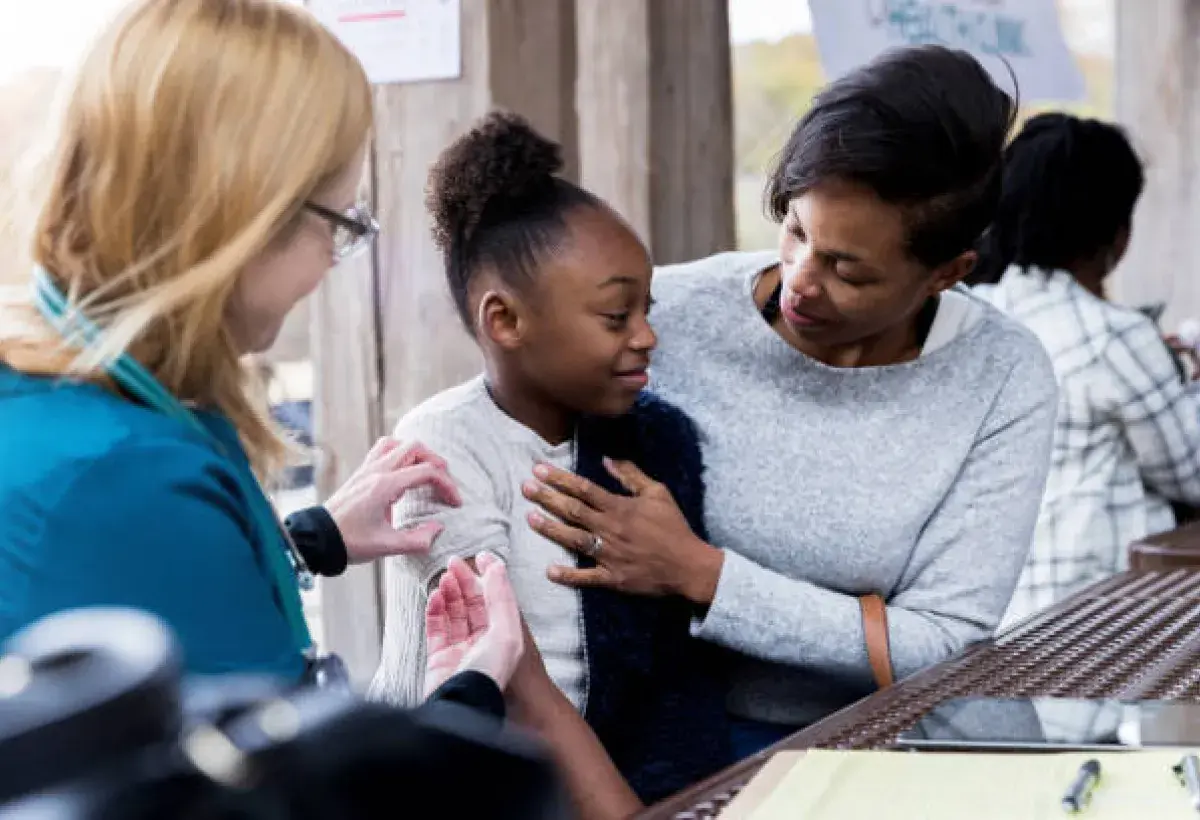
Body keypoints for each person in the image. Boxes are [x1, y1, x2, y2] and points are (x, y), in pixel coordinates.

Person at [520, 45, 1060, 758]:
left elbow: (943, 645)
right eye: (797, 231)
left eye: (848, 270)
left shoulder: (1002, 375)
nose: (802, 281)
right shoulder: (668, 314)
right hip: (657, 740)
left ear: (945, 273)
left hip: (892, 747)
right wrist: (868, 625)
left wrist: (698, 574)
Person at [0, 0, 516, 695]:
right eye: (338, 222)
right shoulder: (125, 483)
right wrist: (469, 695)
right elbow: (285, 798)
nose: (335, 261)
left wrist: (301, 542)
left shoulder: (50, 383)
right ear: (241, 212)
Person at [370, 112, 729, 809]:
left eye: (646, 310)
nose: (647, 336)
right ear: (504, 321)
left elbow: (673, 669)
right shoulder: (447, 447)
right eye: (615, 316)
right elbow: (514, 680)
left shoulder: (651, 440)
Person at [968, 113, 1200, 628]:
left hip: (993, 625)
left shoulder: (974, 311)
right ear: (1117, 233)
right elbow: (1192, 474)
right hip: (1104, 633)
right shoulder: (1113, 337)